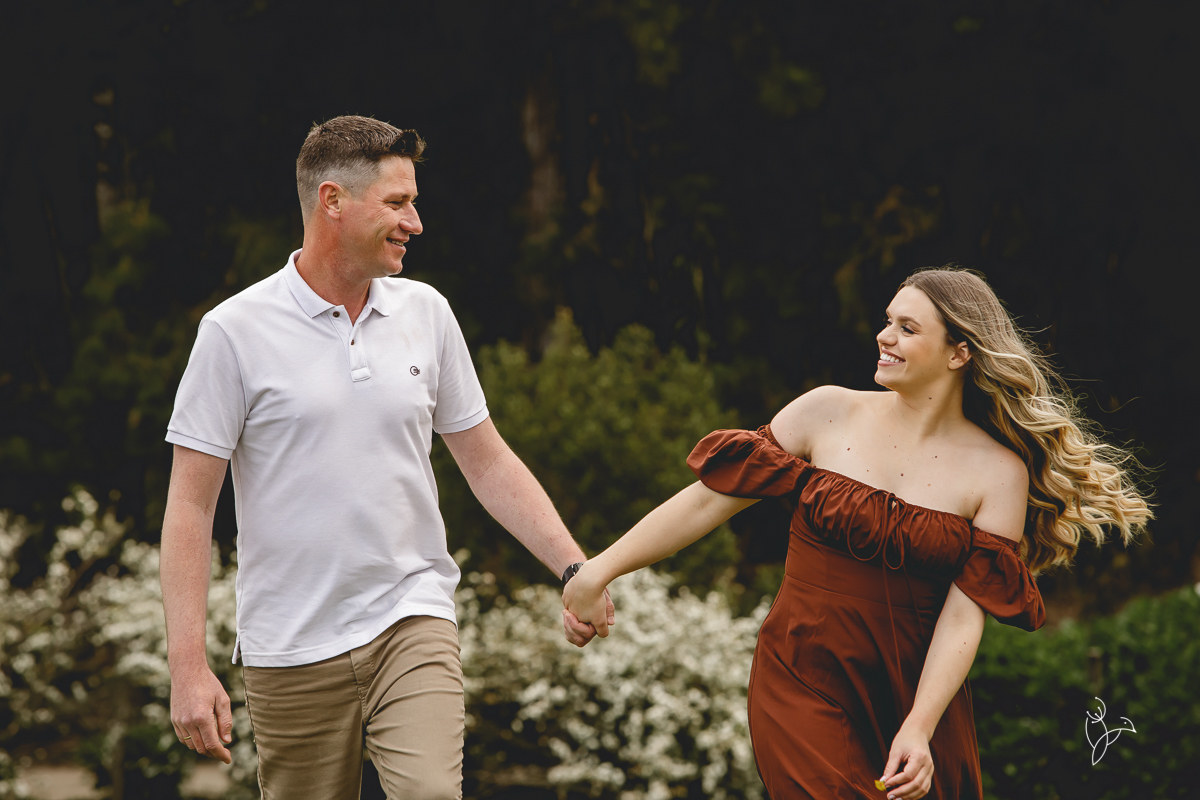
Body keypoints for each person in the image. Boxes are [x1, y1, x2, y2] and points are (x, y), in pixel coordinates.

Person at [563, 268, 1150, 800]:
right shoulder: (826, 412)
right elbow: (703, 503)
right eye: (887, 321)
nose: (884, 336)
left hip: (916, 701)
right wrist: (598, 570)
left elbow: (962, 617)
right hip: (802, 677)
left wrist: (919, 727)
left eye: (907, 328)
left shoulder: (998, 474)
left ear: (959, 353)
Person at [160, 115, 612, 800]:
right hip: (290, 646)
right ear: (333, 201)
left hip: (412, 617)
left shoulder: (426, 313)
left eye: (414, 202)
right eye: (397, 203)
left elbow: (487, 462)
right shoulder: (233, 333)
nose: (415, 223)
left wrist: (576, 568)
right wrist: (188, 667)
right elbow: (191, 507)